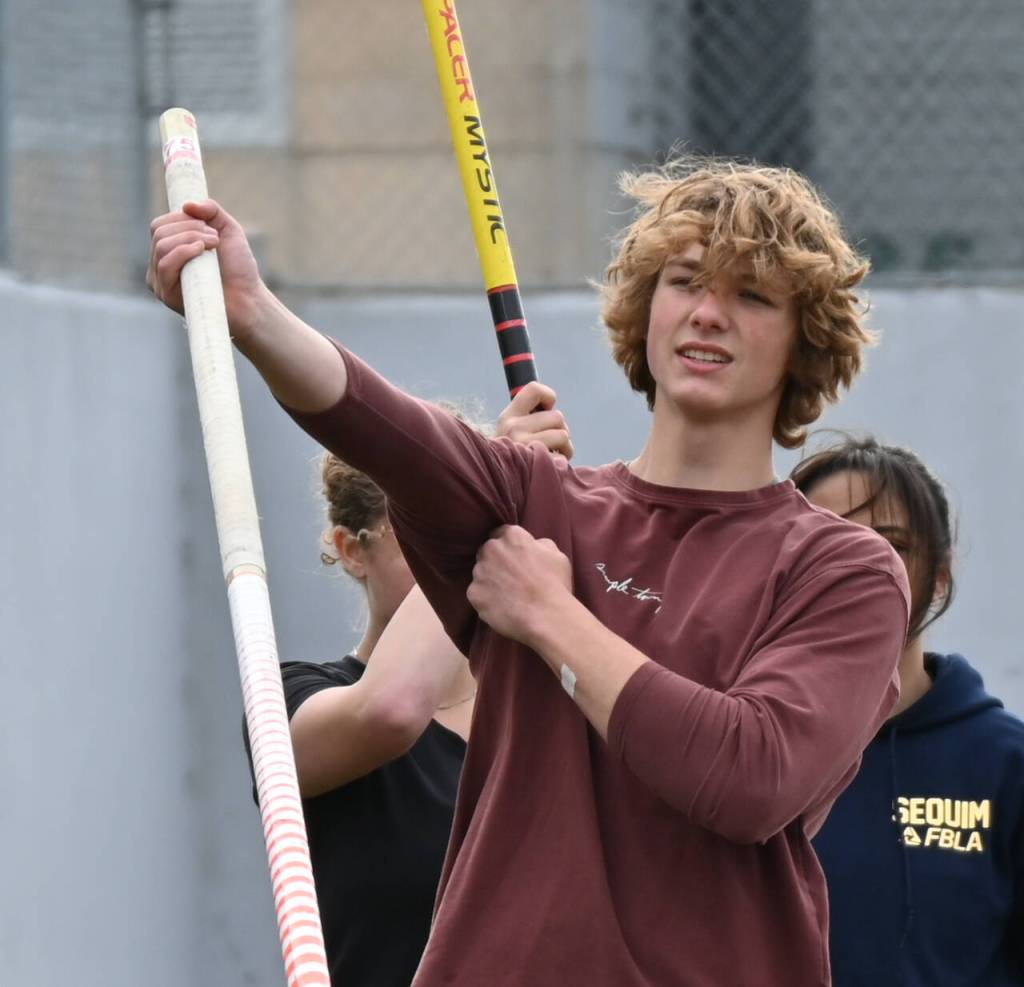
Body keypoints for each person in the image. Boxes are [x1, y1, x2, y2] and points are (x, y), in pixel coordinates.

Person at [149, 158, 910, 986]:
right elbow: (385, 428)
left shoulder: (843, 571)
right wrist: (252, 312)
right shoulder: (530, 498)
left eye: (753, 296)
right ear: (646, 309)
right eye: (686, 280)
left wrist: (553, 617)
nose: (708, 313)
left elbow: (748, 777)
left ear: (805, 345)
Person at [244, 394, 571, 987]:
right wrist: (480, 520)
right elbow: (390, 710)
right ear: (351, 549)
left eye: (453, 523)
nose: (448, 545)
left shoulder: (549, 706)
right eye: (423, 526)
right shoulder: (293, 697)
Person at [792, 438, 1024, 986]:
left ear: (939, 574)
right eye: (831, 540)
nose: (862, 562)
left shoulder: (1004, 764)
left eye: (892, 544)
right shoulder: (741, 742)